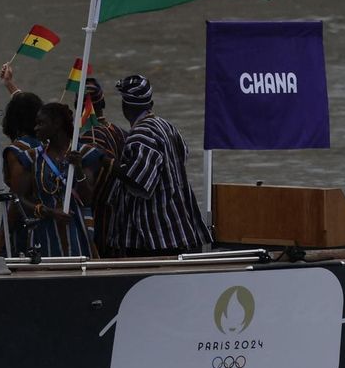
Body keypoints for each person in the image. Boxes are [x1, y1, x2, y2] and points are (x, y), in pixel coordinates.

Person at [104, 74, 212, 257]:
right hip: (179, 227)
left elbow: (138, 181)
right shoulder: (168, 127)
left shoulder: (141, 134)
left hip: (155, 237)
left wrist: (105, 161)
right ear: (150, 104)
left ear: (125, 107)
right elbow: (182, 156)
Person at [19, 101, 96, 257]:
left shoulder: (83, 152)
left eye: (41, 123)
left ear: (57, 124)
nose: (36, 128)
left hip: (78, 234)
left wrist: (78, 168)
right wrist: (48, 211)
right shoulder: (32, 157)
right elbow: (20, 198)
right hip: (44, 235)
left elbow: (88, 199)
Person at [77, 77, 127, 255]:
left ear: (77, 107)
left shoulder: (86, 140)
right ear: (104, 102)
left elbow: (86, 192)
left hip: (100, 223)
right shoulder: (122, 133)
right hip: (123, 220)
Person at [0, 89, 43, 255]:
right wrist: (10, 85)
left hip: (26, 224)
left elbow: (17, 201)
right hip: (48, 222)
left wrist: (0, 243)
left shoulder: (17, 151)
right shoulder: (49, 144)